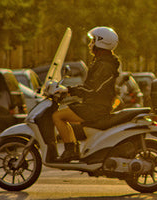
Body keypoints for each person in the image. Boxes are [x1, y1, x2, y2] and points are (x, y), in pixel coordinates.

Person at [51, 26, 121, 162]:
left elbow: (92, 89)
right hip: (94, 105)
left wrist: (68, 90)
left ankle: (70, 150)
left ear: (101, 43)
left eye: (93, 41)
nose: (90, 45)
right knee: (64, 113)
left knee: (58, 116)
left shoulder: (105, 65)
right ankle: (72, 149)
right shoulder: (103, 62)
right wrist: (68, 91)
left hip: (96, 108)